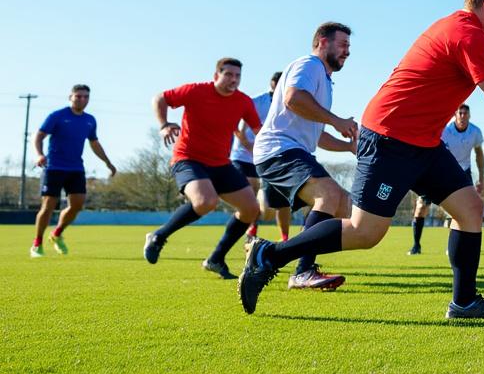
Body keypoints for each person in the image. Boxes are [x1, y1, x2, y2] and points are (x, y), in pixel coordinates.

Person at [239, 0, 484, 318]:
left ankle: (463, 303)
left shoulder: (464, 30)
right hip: (390, 138)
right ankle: (269, 255)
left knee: (469, 209)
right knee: (366, 231)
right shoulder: (467, 33)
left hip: (422, 142)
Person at [252, 22, 358, 292]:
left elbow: (316, 134)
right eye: (343, 44)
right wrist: (336, 120)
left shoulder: (325, 81)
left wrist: (348, 147)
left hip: (291, 150)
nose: (347, 51)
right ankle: (298, 269)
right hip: (278, 149)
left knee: (343, 205)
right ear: (323, 42)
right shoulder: (310, 65)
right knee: (330, 196)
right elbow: (293, 98)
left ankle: (291, 259)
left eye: (349, 46)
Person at [144, 59, 263, 280]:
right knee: (205, 202)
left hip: (221, 163)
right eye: (228, 74)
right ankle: (158, 236)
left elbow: (259, 129)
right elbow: (160, 98)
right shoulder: (195, 91)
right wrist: (164, 124)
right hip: (188, 159)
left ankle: (216, 259)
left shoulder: (243, 101)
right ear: (216, 75)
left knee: (251, 209)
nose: (233, 80)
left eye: (237, 76)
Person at [30, 85, 116, 257]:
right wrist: (39, 154)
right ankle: (37, 244)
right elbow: (38, 136)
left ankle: (57, 234)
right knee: (48, 206)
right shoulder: (57, 116)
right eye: (78, 96)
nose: (82, 100)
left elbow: (94, 143)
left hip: (76, 168)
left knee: (77, 205)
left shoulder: (90, 120)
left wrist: (107, 162)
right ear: (70, 97)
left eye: (86, 97)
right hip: (54, 167)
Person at [409, 104, 484, 255]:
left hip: (463, 172)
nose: (462, 116)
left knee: (465, 209)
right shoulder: (445, 131)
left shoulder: (475, 132)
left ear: (469, 116)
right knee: (421, 207)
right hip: (440, 171)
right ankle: (416, 245)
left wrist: (481, 178)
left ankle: (454, 247)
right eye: (460, 113)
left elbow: (479, 154)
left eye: (465, 113)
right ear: (455, 115)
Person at [230, 71, 292, 244]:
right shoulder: (257, 102)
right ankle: (252, 228)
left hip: (270, 156)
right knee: (252, 189)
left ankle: (285, 237)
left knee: (281, 198)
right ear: (273, 83)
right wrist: (250, 146)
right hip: (245, 155)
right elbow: (238, 128)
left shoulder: (288, 104)